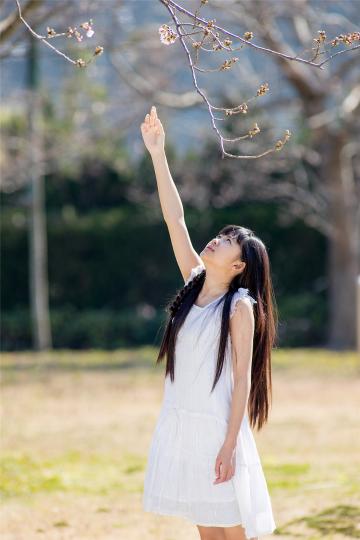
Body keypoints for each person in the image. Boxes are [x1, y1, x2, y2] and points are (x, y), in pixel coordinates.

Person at [140, 106, 277, 540]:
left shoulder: (239, 306)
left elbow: (242, 380)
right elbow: (174, 220)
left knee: (233, 531)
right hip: (184, 423)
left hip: (219, 430)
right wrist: (158, 155)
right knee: (207, 533)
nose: (216, 240)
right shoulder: (194, 282)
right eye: (222, 234)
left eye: (228, 243)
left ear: (238, 266)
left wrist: (229, 444)